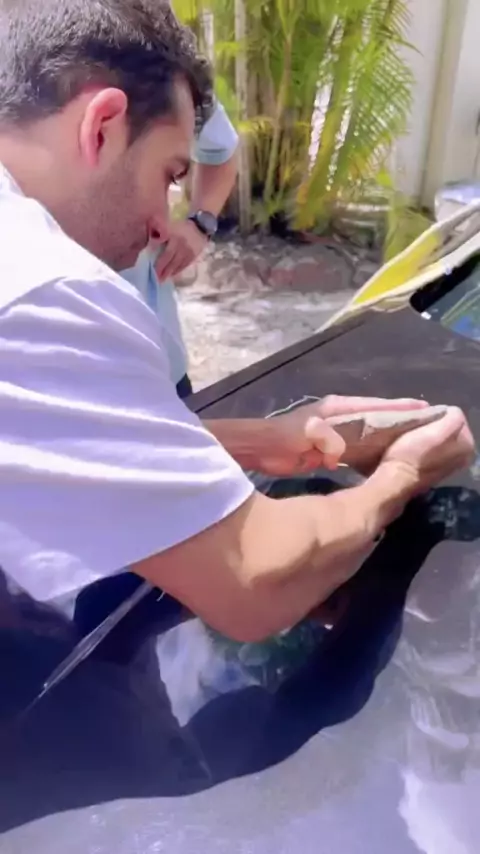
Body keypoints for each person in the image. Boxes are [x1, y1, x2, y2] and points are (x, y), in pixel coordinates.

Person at [0, 0, 473, 644]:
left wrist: (260, 440)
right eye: (171, 175)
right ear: (102, 125)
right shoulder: (45, 285)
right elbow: (254, 577)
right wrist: (404, 476)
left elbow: (58, 436)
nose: (164, 223)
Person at [122, 98, 239, 398]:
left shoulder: (167, 78)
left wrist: (200, 222)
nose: (160, 227)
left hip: (162, 364)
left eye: (171, 176)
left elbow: (221, 149)